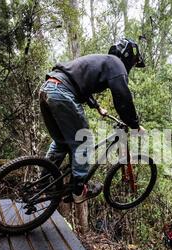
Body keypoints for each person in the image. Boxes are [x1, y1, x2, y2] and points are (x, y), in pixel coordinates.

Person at [39, 38, 146, 203]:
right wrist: (135, 124)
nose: (131, 67)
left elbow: (79, 83)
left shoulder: (104, 61)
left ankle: (43, 182)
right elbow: (123, 98)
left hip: (48, 88)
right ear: (128, 58)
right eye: (133, 63)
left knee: (61, 143)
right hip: (62, 93)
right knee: (84, 139)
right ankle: (78, 189)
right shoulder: (117, 65)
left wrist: (97, 107)